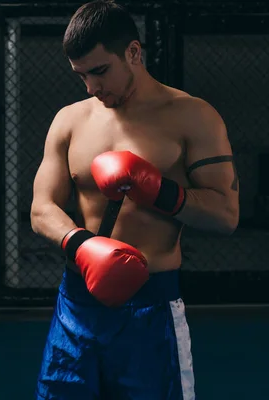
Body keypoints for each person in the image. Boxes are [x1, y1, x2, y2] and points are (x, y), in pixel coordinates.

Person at [30, 1, 240, 399]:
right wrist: (82, 244)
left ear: (133, 52)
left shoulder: (193, 117)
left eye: (100, 71)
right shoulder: (70, 120)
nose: (92, 87)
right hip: (75, 306)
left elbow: (226, 215)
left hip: (150, 308)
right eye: (81, 76)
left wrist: (159, 190)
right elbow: (41, 209)